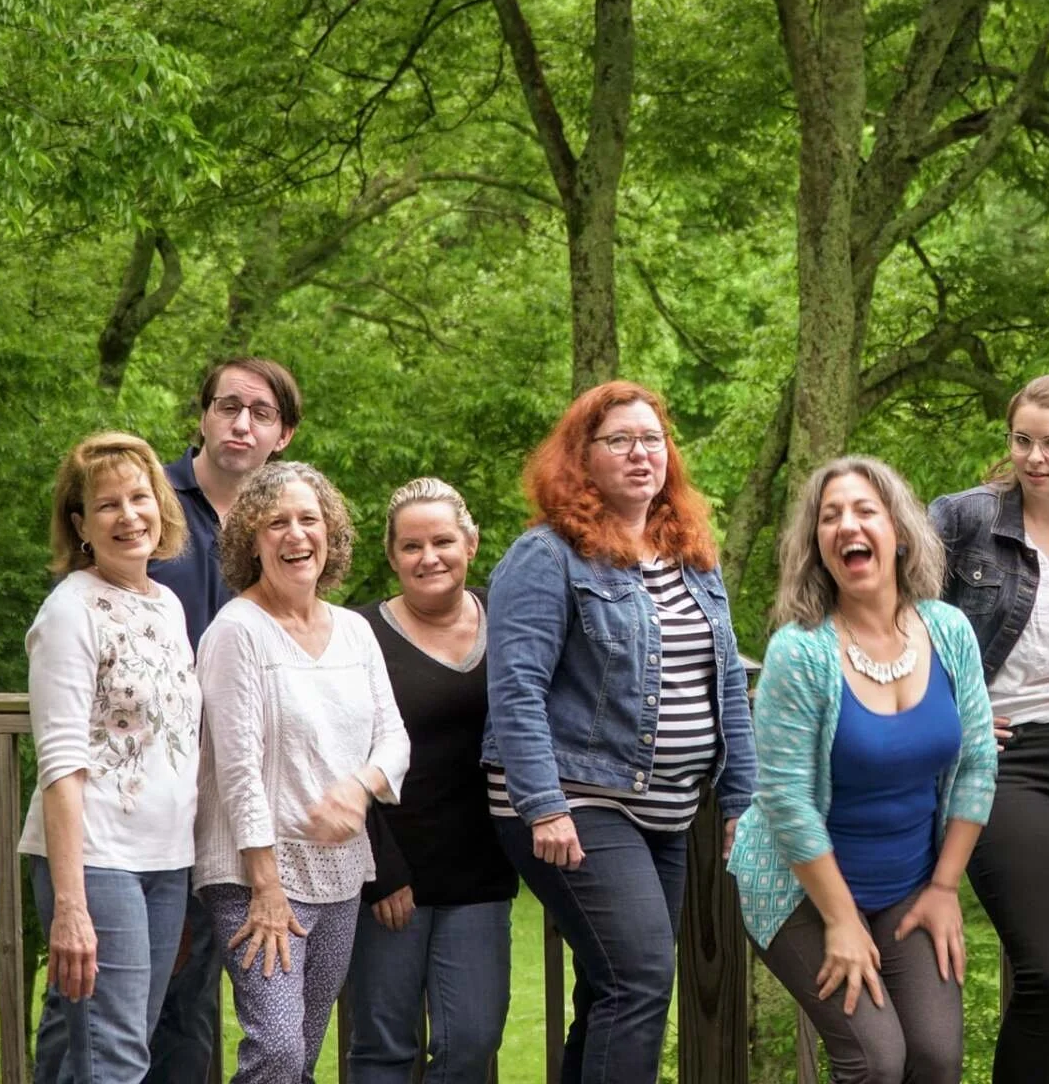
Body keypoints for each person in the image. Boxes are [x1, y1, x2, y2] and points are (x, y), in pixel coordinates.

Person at [484, 380, 758, 1084]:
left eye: (653, 439)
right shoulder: (547, 555)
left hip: (667, 809)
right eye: (620, 441)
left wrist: (741, 797)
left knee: (612, 989)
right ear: (583, 457)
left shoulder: (692, 550)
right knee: (639, 981)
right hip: (577, 802)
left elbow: (726, 678)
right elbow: (516, 688)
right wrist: (544, 804)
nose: (643, 453)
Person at [730, 456, 997, 1084]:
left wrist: (942, 889)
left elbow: (979, 763)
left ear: (898, 532)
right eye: (830, 517)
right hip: (802, 895)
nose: (847, 525)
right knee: (877, 1062)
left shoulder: (949, 630)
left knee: (934, 1059)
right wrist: (841, 920)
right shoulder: (800, 651)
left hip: (908, 886)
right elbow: (788, 800)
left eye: (864, 511)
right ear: (818, 546)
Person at [928, 374, 1049, 1084]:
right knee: (1048, 972)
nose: (1035, 458)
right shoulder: (964, 520)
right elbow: (897, 623)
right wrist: (949, 717)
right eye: (1023, 441)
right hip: (1006, 761)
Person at [194, 461, 410, 1084]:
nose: (296, 535)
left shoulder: (355, 631)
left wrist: (360, 785)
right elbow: (236, 772)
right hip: (253, 874)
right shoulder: (237, 632)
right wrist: (264, 885)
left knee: (301, 1056)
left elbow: (393, 739)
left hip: (341, 873)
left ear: (330, 534)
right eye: (276, 523)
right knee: (278, 1052)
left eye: (308, 520)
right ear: (250, 541)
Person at [22, 432, 199, 1084]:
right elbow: (62, 764)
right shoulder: (69, 612)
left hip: (164, 861)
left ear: (160, 505)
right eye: (107, 506)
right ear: (80, 525)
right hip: (96, 860)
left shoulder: (168, 605)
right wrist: (71, 906)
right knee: (117, 1058)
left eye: (139, 497)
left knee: (80, 1050)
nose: (129, 517)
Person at [146, 356, 302, 1084]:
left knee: (204, 1001)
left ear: (284, 435)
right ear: (203, 417)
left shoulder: (288, 525)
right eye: (227, 406)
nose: (241, 423)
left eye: (261, 412)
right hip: (150, 790)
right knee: (141, 992)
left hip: (243, 794)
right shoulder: (150, 504)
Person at [347, 479, 516, 1083]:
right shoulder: (357, 634)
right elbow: (336, 758)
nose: (429, 557)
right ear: (391, 556)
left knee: (472, 1045)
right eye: (411, 546)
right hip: (390, 878)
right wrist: (383, 872)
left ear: (470, 542)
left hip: (482, 876)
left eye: (443, 541)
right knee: (384, 1049)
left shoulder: (512, 619)